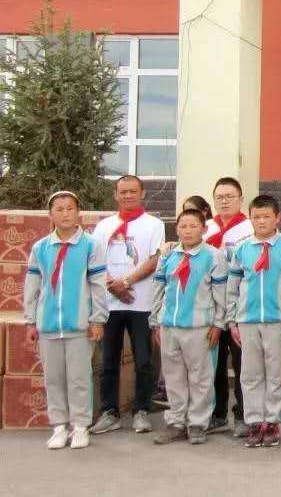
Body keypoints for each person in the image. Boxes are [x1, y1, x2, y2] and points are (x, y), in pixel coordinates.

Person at [24, 191, 108, 451]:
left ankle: (80, 426)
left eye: (70, 208)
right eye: (59, 209)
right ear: (50, 215)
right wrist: (31, 321)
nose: (65, 213)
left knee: (79, 378)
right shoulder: (40, 248)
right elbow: (32, 287)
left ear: (78, 212)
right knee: (54, 379)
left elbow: (98, 285)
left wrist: (97, 319)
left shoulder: (90, 245)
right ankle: (59, 426)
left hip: (79, 325)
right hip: (49, 325)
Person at [226, 195, 281, 449]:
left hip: (277, 319)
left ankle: (271, 421)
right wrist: (232, 321)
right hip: (248, 319)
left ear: (277, 218)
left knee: (276, 373)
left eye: (266, 216)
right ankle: (254, 421)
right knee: (250, 374)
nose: (261, 221)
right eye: (256, 217)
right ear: (250, 218)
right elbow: (233, 287)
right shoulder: (241, 248)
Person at [88, 175, 163, 436]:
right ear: (115, 195)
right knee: (108, 360)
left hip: (141, 303)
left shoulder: (153, 224)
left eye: (133, 191)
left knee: (143, 360)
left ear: (142, 194)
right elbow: (95, 261)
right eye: (123, 192)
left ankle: (141, 410)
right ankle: (110, 412)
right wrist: (112, 285)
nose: (128, 196)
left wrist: (126, 281)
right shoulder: (104, 226)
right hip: (109, 304)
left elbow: (155, 259)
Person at [150, 209, 227, 446]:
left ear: (204, 229)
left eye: (193, 226)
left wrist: (218, 324)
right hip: (170, 325)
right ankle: (176, 422)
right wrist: (155, 321)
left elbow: (221, 295)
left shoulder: (214, 257)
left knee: (201, 377)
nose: (188, 231)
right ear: (176, 229)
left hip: (199, 327)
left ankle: (198, 423)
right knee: (173, 376)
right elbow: (158, 289)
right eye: (183, 226)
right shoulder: (168, 256)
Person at [203, 176, 254, 436]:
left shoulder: (250, 228)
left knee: (242, 362)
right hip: (209, 306)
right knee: (214, 363)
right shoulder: (205, 228)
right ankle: (217, 413)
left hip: (239, 305)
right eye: (219, 197)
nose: (224, 201)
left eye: (229, 197)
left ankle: (243, 414)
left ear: (241, 199)